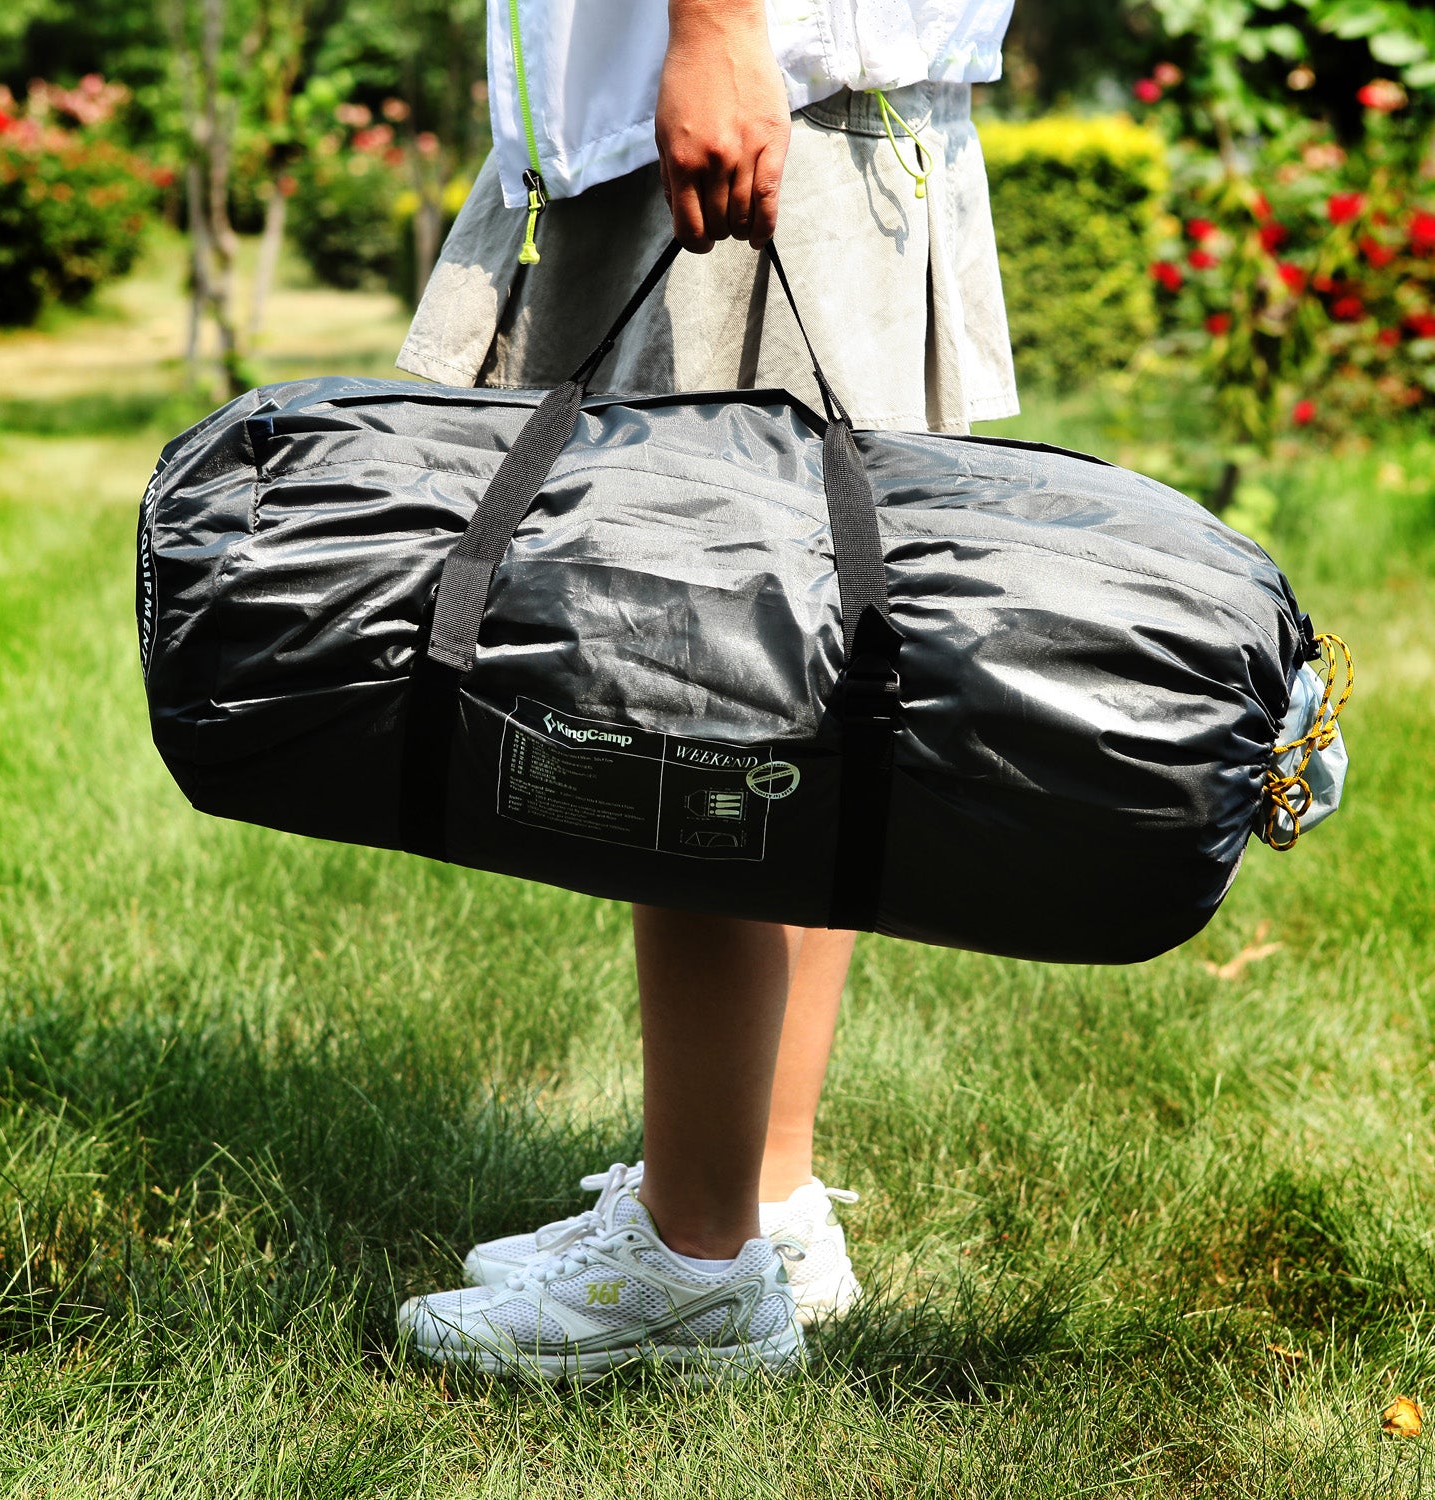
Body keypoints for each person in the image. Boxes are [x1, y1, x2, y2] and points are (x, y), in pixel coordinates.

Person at [396, 0, 1018, 1382]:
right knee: (809, 683)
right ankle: (760, 1199)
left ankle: (691, 1263)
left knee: (685, 689)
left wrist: (716, 26)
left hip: (737, 114)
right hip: (842, 127)